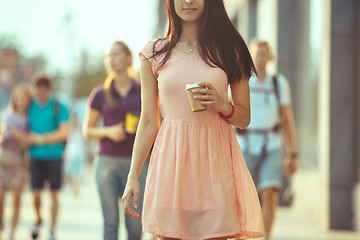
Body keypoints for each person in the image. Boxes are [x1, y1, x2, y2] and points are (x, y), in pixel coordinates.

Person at [121, 0, 263, 239]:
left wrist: (222, 105)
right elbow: (148, 121)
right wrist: (133, 175)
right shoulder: (154, 54)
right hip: (171, 165)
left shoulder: (230, 50)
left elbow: (244, 117)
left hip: (215, 167)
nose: (188, 1)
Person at [235, 40, 298, 240]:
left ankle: (266, 237)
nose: (261, 58)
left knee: (269, 192)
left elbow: (288, 119)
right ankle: (246, 234)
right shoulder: (241, 80)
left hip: (272, 144)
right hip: (246, 145)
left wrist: (293, 153)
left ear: (270, 57)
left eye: (264, 53)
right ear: (251, 56)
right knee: (246, 197)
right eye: (257, 53)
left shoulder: (279, 83)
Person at [82, 41, 145, 240]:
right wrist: (107, 131)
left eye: (116, 54)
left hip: (137, 164)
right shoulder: (100, 94)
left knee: (135, 226)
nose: (111, 59)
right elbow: (87, 131)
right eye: (108, 56)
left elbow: (155, 124)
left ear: (128, 58)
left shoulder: (144, 90)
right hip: (106, 162)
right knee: (111, 223)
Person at [28, 73, 69, 240]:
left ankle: (52, 230)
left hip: (54, 156)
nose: (40, 93)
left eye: (43, 89)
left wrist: (40, 138)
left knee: (53, 194)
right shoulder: (30, 106)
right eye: (37, 89)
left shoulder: (59, 106)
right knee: (35, 194)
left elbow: (64, 133)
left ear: (49, 89)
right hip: (35, 156)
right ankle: (38, 218)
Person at [0, 84, 32, 240]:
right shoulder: (7, 115)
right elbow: (8, 133)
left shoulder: (29, 118)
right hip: (3, 161)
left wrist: (21, 137)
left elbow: (27, 141)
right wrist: (22, 137)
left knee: (16, 199)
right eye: (19, 98)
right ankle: (1, 223)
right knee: (0, 199)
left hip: (19, 163)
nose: (21, 101)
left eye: (24, 99)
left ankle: (12, 230)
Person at [64, 114, 87, 197]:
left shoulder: (81, 130)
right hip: (70, 154)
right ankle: (73, 187)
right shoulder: (69, 130)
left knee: (77, 173)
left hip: (79, 154)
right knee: (70, 173)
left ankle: (76, 189)